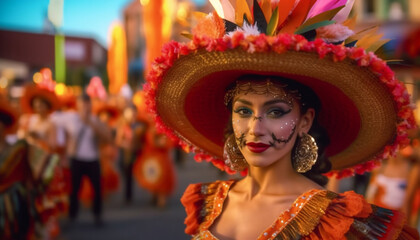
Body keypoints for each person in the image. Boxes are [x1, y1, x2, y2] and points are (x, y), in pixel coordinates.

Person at [144, 0, 420, 239]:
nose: (256, 128)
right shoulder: (208, 201)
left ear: (305, 121)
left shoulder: (337, 224)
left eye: (275, 112)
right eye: (243, 111)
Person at [66, 94, 112, 226]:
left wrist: (90, 123)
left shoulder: (95, 120)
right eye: (82, 104)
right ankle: (72, 215)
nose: (85, 107)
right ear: (78, 105)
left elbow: (107, 137)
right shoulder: (72, 119)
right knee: (74, 189)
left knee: (97, 189)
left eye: (87, 104)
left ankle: (97, 215)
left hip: (93, 159)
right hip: (77, 159)